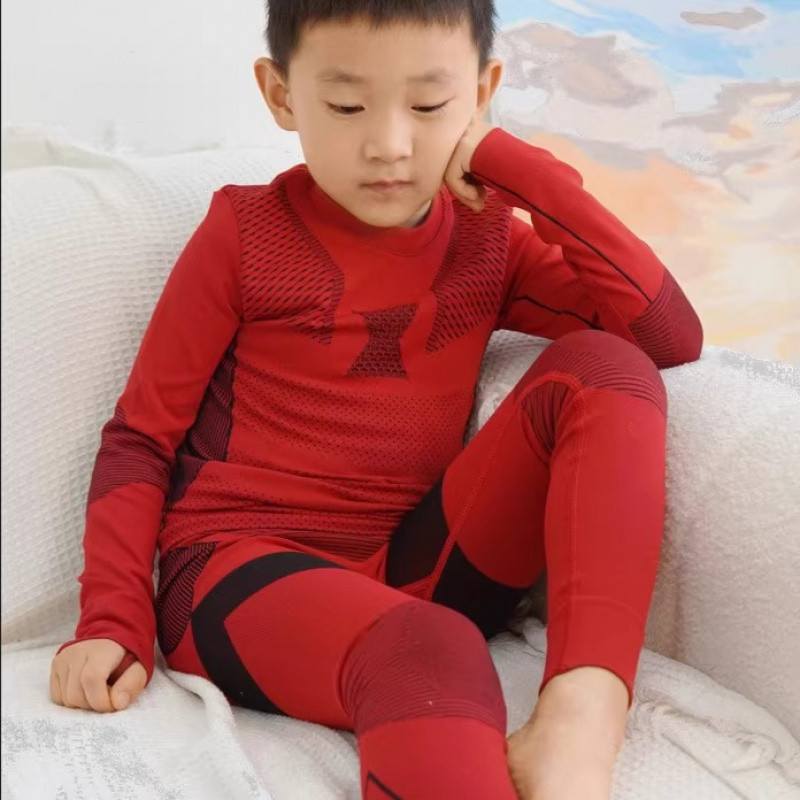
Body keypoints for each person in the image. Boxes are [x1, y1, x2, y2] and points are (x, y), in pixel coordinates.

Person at [48, 1, 704, 798]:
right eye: (346, 105)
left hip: (418, 565)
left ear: (480, 94)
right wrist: (112, 619)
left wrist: (518, 170)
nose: (389, 144)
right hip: (237, 573)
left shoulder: (487, 236)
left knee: (605, 367)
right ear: (282, 95)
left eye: (428, 105)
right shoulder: (245, 234)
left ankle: (581, 718)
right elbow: (140, 439)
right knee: (427, 649)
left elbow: (667, 335)